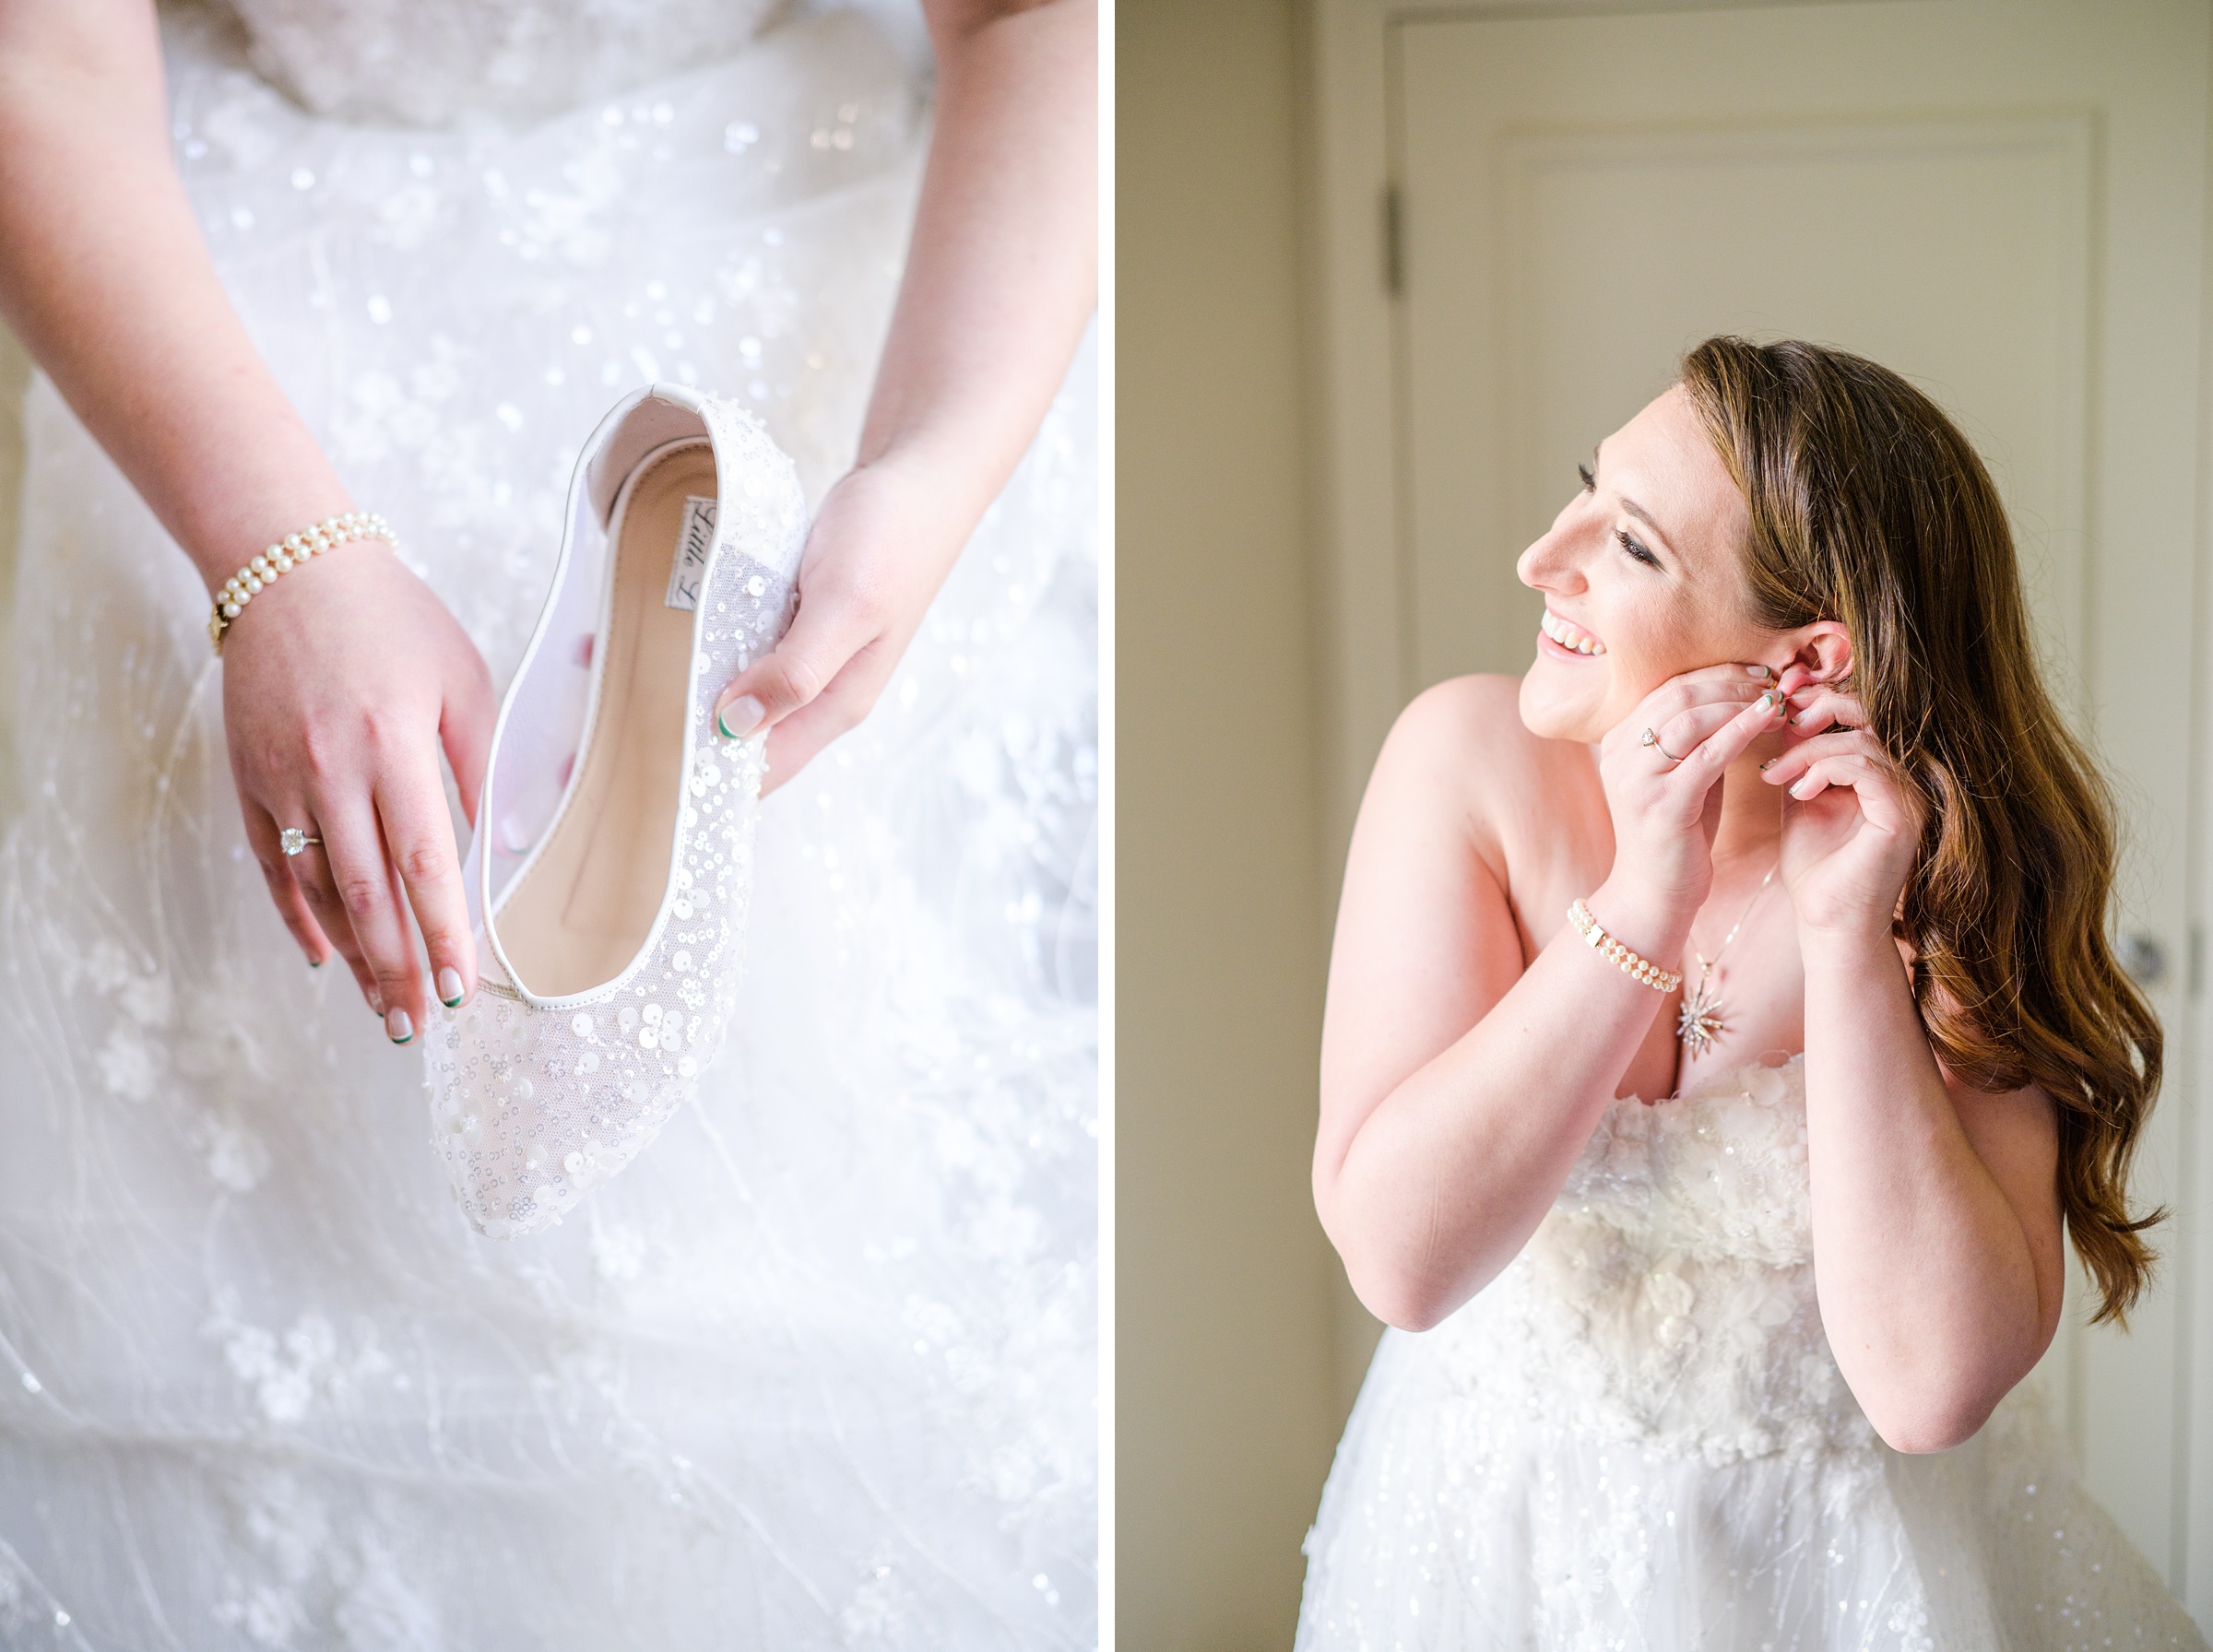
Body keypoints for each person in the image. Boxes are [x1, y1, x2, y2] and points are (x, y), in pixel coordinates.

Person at [0, 0, 1095, 1641]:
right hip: (213, 263)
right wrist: (274, 555)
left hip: (817, 226)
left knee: (799, 1214)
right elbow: (41, 56)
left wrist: (933, 468)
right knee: (200, 1233)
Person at [1296, 336, 2209, 1646]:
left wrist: (1849, 942)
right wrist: (1636, 908)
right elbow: (1402, 1260)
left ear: (1806, 662)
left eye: (1632, 546)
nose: (1542, 561)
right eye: (1584, 491)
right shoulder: (1464, 764)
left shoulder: (1947, 881)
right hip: (1491, 1547)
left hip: (1848, 1577)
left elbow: (1927, 1388)